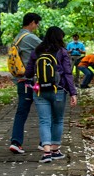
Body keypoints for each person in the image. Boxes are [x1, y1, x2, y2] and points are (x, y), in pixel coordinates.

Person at [24, 26, 78, 163]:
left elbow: (29, 73)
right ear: (60, 37)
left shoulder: (37, 51)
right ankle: (55, 150)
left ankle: (46, 152)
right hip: (58, 90)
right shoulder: (62, 52)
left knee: (44, 121)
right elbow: (67, 73)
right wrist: (73, 93)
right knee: (58, 120)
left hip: (40, 91)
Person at [8, 12, 42, 155]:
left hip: (21, 80)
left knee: (21, 112)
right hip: (32, 80)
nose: (37, 26)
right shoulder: (30, 37)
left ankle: (16, 142)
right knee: (44, 110)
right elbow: (48, 48)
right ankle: (45, 142)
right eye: (37, 23)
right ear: (32, 22)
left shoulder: (17, 37)